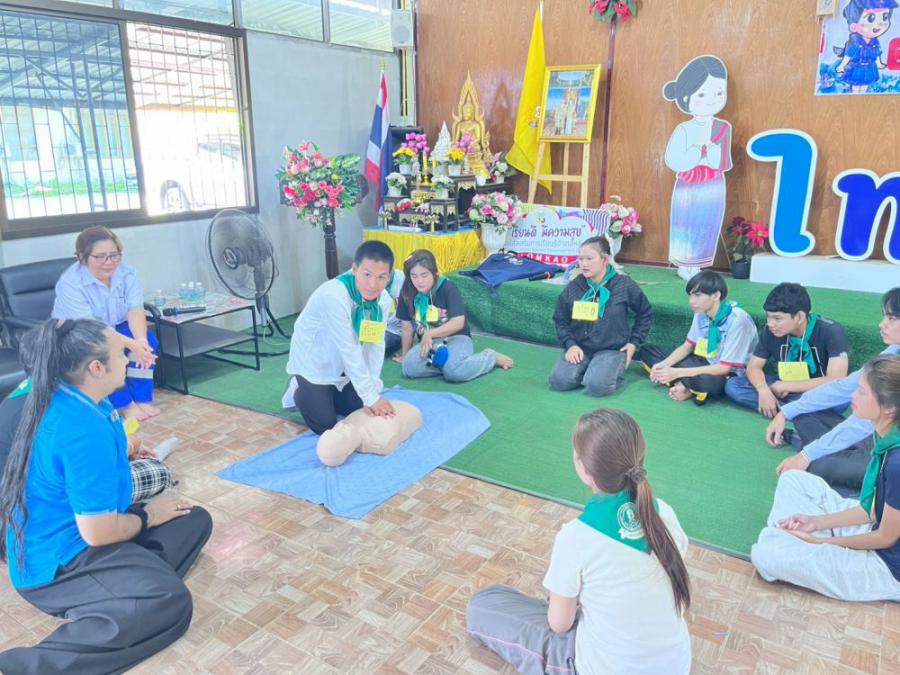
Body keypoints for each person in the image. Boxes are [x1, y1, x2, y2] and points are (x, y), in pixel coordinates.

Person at [0, 319, 213, 674]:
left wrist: (125, 457)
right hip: (57, 565)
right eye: (121, 353)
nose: (128, 358)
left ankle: (122, 586)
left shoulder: (78, 396)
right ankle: (20, 667)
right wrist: (148, 516)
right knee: (170, 601)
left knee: (193, 519)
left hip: (87, 530)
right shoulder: (78, 428)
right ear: (96, 368)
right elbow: (97, 533)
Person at [466, 409, 692, 675]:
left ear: (582, 467)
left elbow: (559, 625)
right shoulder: (664, 512)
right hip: (677, 665)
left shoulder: (575, 537)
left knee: (483, 604)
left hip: (598, 668)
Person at [750, 355, 900, 602]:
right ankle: (794, 539)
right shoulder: (886, 435)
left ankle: (792, 542)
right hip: (875, 527)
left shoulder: (896, 463)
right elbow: (873, 510)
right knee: (793, 479)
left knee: (765, 555)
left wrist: (822, 543)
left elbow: (886, 537)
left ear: (889, 408)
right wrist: (815, 523)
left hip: (885, 567)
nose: (853, 396)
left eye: (862, 392)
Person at [765, 287, 900, 495]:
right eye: (884, 317)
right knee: (804, 415)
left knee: (819, 467)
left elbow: (861, 423)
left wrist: (807, 454)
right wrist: (786, 412)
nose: (882, 325)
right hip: (874, 435)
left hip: (892, 452)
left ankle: (830, 457)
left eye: (891, 318)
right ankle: (833, 453)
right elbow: (844, 387)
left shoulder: (830, 331)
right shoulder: (893, 351)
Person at [282, 241, 397, 435]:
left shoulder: (383, 300)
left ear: (389, 276)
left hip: (343, 365)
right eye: (367, 274)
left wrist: (372, 390)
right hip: (314, 363)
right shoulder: (334, 295)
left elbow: (375, 345)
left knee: (357, 408)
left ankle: (332, 393)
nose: (373, 284)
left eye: (381, 277)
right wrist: (370, 398)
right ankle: (298, 388)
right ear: (355, 269)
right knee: (325, 424)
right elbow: (349, 348)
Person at [52, 226, 159, 421]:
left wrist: (141, 341)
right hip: (79, 332)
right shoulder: (70, 282)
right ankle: (124, 404)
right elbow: (93, 328)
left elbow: (135, 310)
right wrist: (130, 343)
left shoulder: (127, 273)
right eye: (100, 257)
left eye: (114, 255)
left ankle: (141, 398)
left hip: (115, 325)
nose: (109, 262)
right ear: (82, 257)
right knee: (106, 352)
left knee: (148, 343)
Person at [724, 283, 850, 418]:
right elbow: (754, 366)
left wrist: (786, 386)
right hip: (783, 386)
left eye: (777, 318)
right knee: (733, 386)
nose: (770, 324)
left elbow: (836, 379)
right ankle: (795, 410)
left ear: (799, 317)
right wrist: (763, 390)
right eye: (768, 316)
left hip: (817, 389)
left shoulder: (831, 331)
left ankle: (781, 409)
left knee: (839, 400)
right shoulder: (771, 331)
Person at [549, 236, 652, 397]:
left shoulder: (624, 285)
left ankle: (602, 372)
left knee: (597, 386)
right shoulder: (574, 286)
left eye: (589, 259)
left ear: (605, 259)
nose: (583, 264)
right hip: (581, 348)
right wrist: (570, 345)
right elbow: (560, 320)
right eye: (581, 259)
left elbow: (645, 313)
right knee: (559, 381)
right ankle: (591, 369)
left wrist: (633, 343)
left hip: (612, 348)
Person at [662, 55, 733, 281]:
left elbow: (725, 161)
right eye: (702, 94)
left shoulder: (722, 128)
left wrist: (711, 155)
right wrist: (693, 155)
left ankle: (699, 263)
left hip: (713, 184)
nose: (711, 100)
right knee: (686, 221)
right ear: (686, 97)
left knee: (707, 222)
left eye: (719, 92)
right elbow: (673, 159)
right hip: (689, 183)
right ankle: (684, 263)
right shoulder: (684, 128)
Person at [638, 270, 758, 404]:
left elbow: (724, 368)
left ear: (716, 295)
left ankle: (684, 385)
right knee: (648, 351)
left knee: (707, 382)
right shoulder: (701, 312)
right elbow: (687, 346)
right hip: (705, 361)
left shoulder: (738, 320)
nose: (691, 301)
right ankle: (685, 385)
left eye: (698, 295)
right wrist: (663, 365)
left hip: (729, 374)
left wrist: (677, 372)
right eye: (690, 296)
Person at [396, 250, 513, 382]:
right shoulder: (407, 291)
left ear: (434, 273)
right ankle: (450, 364)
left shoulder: (447, 288)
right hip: (430, 343)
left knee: (454, 372)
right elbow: (406, 327)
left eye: (424, 275)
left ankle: (490, 357)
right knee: (408, 367)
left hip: (456, 337)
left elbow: (458, 322)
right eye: (414, 276)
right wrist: (405, 355)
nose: (419, 281)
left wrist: (430, 333)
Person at [834, 0, 896, 94]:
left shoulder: (875, 42)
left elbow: (877, 54)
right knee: (856, 87)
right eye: (871, 18)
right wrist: (842, 66)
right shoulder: (855, 43)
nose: (880, 23)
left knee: (865, 86)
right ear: (854, 26)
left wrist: (879, 64)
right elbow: (848, 55)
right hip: (857, 68)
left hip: (869, 68)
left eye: (885, 17)